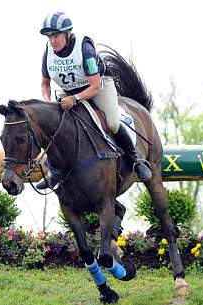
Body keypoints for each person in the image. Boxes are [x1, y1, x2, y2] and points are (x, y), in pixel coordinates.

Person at [36, 11, 152, 190]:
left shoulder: (84, 48)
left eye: (56, 36)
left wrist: (74, 99)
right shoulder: (48, 51)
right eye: (49, 37)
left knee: (113, 123)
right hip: (69, 91)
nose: (53, 41)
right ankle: (55, 172)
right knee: (57, 126)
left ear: (67, 34)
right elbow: (45, 84)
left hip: (98, 88)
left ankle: (137, 160)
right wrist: (48, 102)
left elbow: (95, 86)